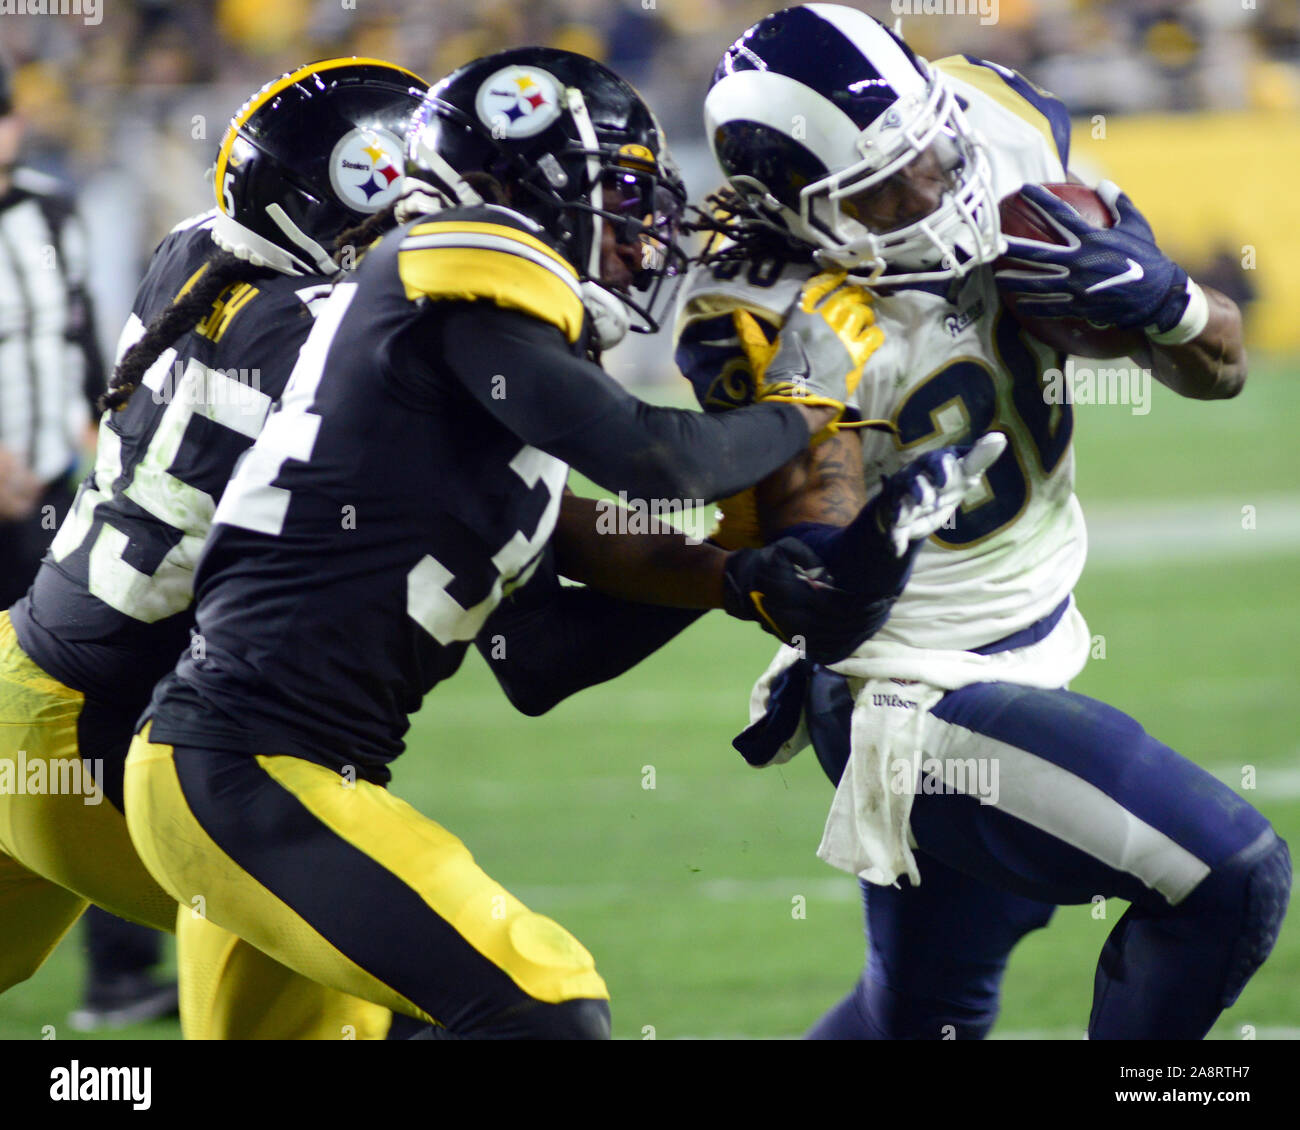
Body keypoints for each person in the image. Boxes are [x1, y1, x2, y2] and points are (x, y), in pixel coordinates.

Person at [676, 3, 1288, 1040]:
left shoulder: (997, 123)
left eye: (930, 154)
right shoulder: (756, 306)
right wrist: (861, 484)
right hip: (905, 697)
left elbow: (1217, 368)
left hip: (1034, 651)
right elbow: (819, 595)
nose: (931, 193)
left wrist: (1175, 305)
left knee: (920, 1019)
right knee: (1226, 877)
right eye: (882, 190)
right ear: (796, 208)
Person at [0, 56, 437, 1040]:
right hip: (119, 742)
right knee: (422, 987)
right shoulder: (333, 342)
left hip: (27, 678)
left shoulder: (195, 247)